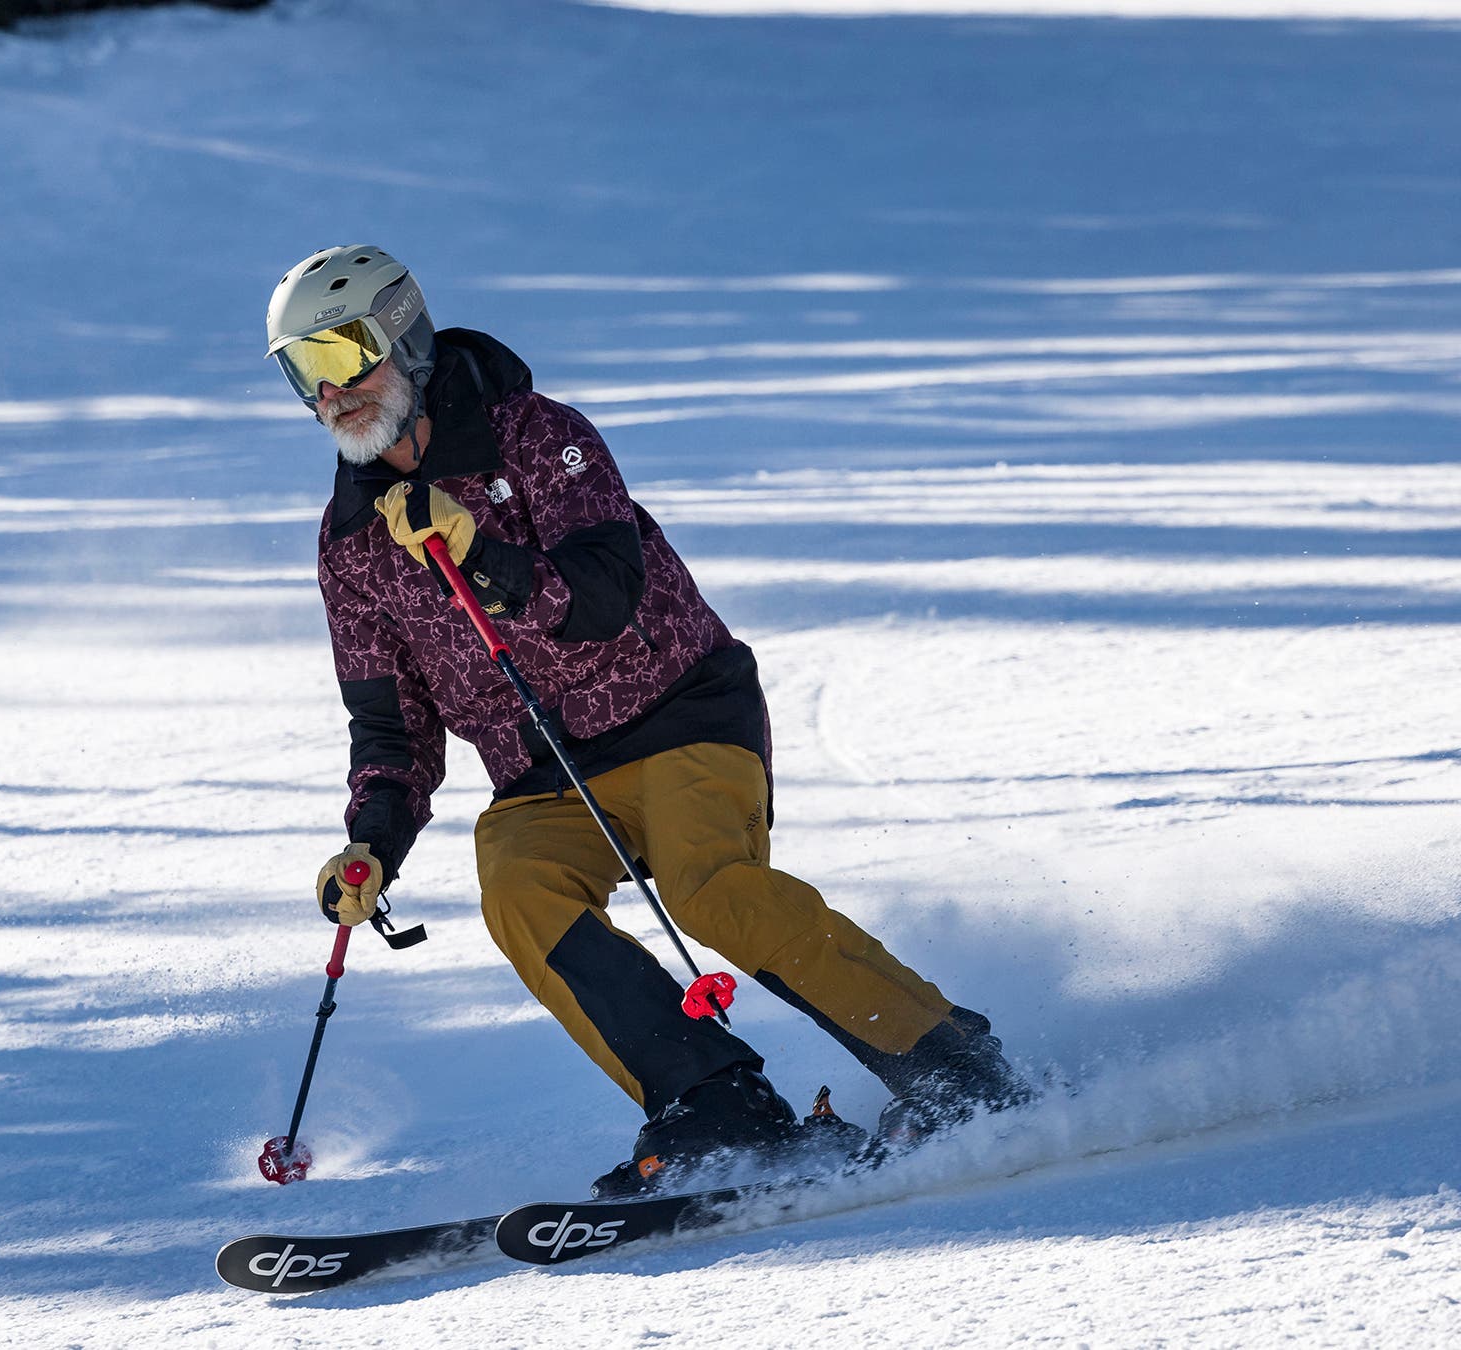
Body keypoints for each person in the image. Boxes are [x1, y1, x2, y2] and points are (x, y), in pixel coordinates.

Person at [272, 245, 1033, 1199]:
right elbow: (393, 727)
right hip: (546, 772)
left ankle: (949, 1060)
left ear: (406, 338)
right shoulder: (350, 545)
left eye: (347, 352)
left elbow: (609, 593)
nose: (333, 390)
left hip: (680, 715)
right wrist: (371, 843)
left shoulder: (537, 436)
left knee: (711, 888)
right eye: (306, 371)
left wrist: (490, 559)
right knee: (516, 883)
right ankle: (712, 1101)